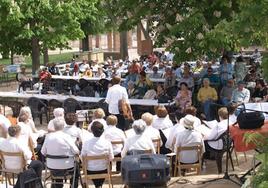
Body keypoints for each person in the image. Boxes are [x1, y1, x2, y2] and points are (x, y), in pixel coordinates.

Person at [41, 118, 80, 188]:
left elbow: (43, 152)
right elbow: (76, 151)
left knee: (57, 168)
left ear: (54, 126)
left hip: (52, 166)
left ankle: (58, 185)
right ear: (63, 126)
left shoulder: (48, 136)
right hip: (67, 165)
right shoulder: (67, 136)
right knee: (76, 170)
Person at [81, 121, 114, 188]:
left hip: (90, 170)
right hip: (103, 169)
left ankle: (98, 185)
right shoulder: (107, 142)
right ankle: (99, 185)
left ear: (92, 131)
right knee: (108, 164)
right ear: (102, 131)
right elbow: (111, 158)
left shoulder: (86, 143)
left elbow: (82, 157)